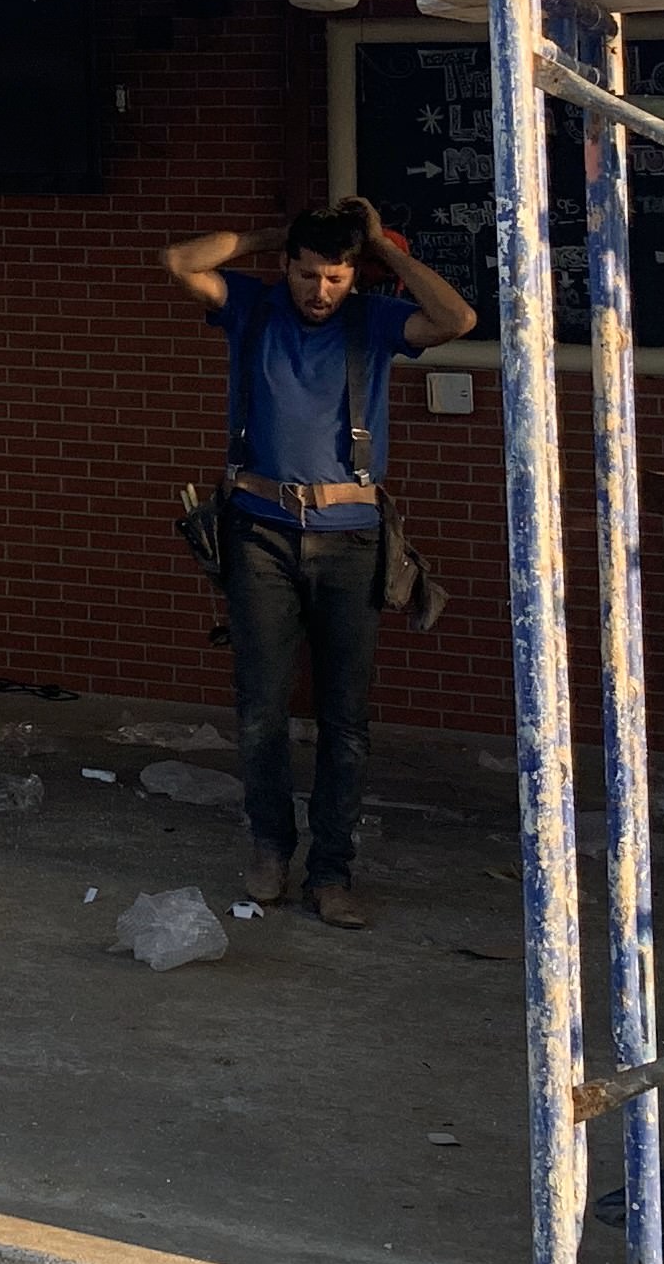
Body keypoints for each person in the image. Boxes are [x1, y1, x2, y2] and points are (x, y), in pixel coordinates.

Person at [158, 195, 478, 929]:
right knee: (260, 710)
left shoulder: (375, 320)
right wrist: (277, 233)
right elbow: (178, 261)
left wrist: (381, 248)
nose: (321, 290)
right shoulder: (254, 306)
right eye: (307, 273)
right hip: (259, 532)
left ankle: (332, 871)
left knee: (345, 719)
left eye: (336, 277)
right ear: (287, 267)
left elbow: (457, 319)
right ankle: (270, 848)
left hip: (352, 537)